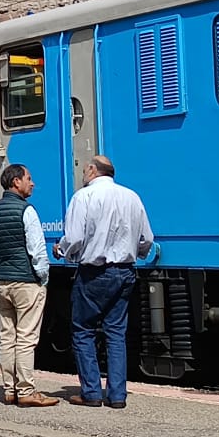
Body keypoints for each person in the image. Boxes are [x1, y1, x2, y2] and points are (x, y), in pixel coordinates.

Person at [56, 156, 153, 409]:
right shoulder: (132, 197)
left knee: (83, 331)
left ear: (92, 171)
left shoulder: (83, 197)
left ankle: (91, 393)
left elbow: (74, 237)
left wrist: (62, 250)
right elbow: (147, 239)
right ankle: (117, 396)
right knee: (116, 333)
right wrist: (136, 253)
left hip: (94, 274)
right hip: (126, 271)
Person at [0, 163, 57, 408]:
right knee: (26, 338)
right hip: (27, 282)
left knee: (7, 338)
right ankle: (26, 390)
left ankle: (9, 389)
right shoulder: (26, 211)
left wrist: (3, 273)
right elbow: (37, 250)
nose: (32, 183)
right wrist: (43, 277)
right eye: (29, 178)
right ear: (16, 182)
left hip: (4, 282)